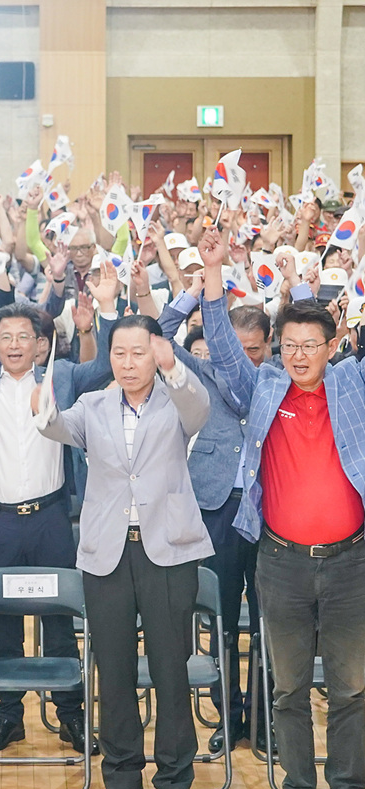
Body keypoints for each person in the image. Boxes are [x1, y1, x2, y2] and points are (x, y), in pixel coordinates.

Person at [198, 227, 365, 789]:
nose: (298, 355)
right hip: (282, 562)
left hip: (351, 562)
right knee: (289, 689)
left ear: (332, 345)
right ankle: (297, 788)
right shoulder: (263, 387)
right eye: (288, 345)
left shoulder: (353, 384)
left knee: (350, 689)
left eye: (310, 345)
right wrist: (214, 275)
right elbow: (221, 350)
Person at [0, 266, 119, 757]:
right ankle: (8, 717)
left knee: (58, 617)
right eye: (4, 336)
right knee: (2, 617)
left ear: (40, 344)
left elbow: (106, 370)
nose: (13, 344)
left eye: (23, 337)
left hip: (52, 517)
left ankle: (70, 716)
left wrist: (103, 315)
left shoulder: (63, 378)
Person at [34, 314, 212, 789]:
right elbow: (56, 426)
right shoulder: (93, 406)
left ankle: (176, 786)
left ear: (155, 352)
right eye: (120, 353)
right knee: (113, 673)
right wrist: (42, 411)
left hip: (168, 553)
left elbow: (199, 407)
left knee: (170, 672)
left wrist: (173, 365)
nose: (129, 363)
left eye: (139, 353)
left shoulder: (177, 401)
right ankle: (122, 784)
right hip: (107, 554)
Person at [157, 276, 271, 755]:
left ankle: (265, 725)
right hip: (216, 508)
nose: (247, 359)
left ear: (270, 345)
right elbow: (159, 331)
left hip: (269, 510)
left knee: (267, 622)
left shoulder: (284, 373)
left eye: (256, 349)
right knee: (221, 617)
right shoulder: (203, 371)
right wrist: (195, 292)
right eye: (237, 350)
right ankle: (229, 715)